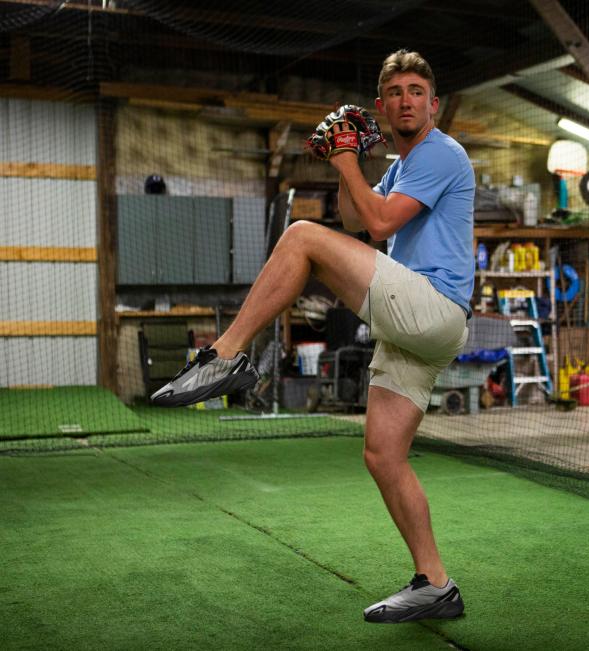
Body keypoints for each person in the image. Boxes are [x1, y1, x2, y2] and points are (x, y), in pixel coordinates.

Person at [150, 49, 474, 623]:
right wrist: (344, 163)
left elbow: (376, 225)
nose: (407, 99)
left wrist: (348, 156)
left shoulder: (442, 153)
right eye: (396, 91)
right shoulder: (401, 168)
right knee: (382, 455)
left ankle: (226, 355)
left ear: (434, 103)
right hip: (415, 325)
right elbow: (355, 221)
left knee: (301, 236)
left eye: (417, 91)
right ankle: (436, 584)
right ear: (382, 105)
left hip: (434, 308)